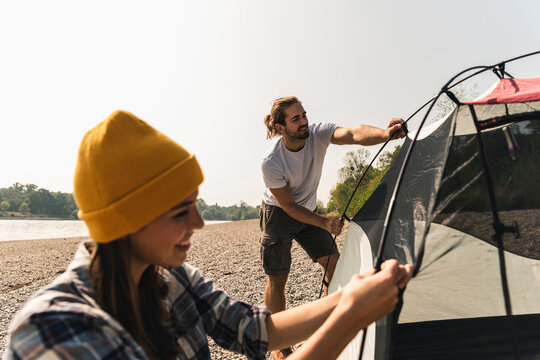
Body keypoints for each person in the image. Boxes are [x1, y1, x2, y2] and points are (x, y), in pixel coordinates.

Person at [4, 110, 412, 360]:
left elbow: (258, 331)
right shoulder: (54, 330)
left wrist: (353, 293)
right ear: (126, 221)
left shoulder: (173, 277)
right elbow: (287, 207)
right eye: (182, 210)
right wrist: (350, 318)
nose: (199, 224)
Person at [261, 96, 406, 359]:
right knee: (278, 277)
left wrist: (385, 134)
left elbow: (353, 133)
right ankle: (279, 348)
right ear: (281, 128)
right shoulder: (271, 162)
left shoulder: (318, 134)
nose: (304, 121)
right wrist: (325, 223)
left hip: (308, 208)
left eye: (304, 115)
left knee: (333, 263)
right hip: (279, 213)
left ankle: (328, 322)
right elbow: (290, 208)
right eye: (296, 119)